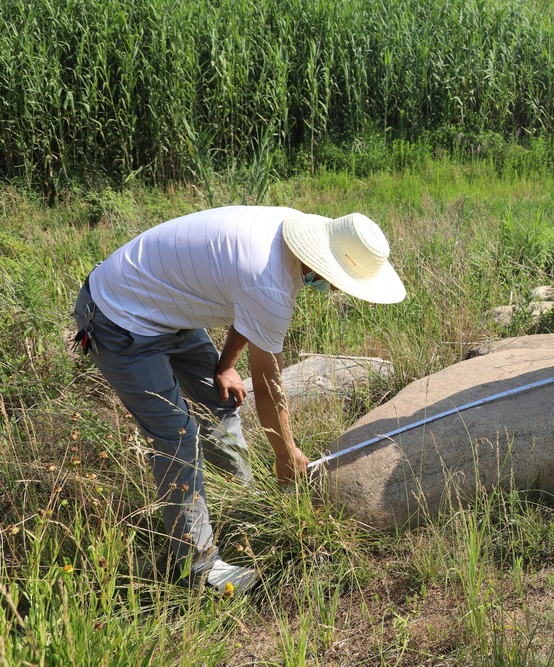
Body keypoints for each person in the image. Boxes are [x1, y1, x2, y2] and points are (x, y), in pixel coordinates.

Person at [73, 207, 406, 593]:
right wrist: (286, 454)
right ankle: (198, 568)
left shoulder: (290, 236)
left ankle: (240, 505)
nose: (337, 291)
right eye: (341, 282)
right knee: (177, 439)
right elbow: (268, 386)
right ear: (324, 263)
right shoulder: (270, 283)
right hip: (118, 317)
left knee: (221, 400)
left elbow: (244, 303)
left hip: (165, 305)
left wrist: (226, 364)